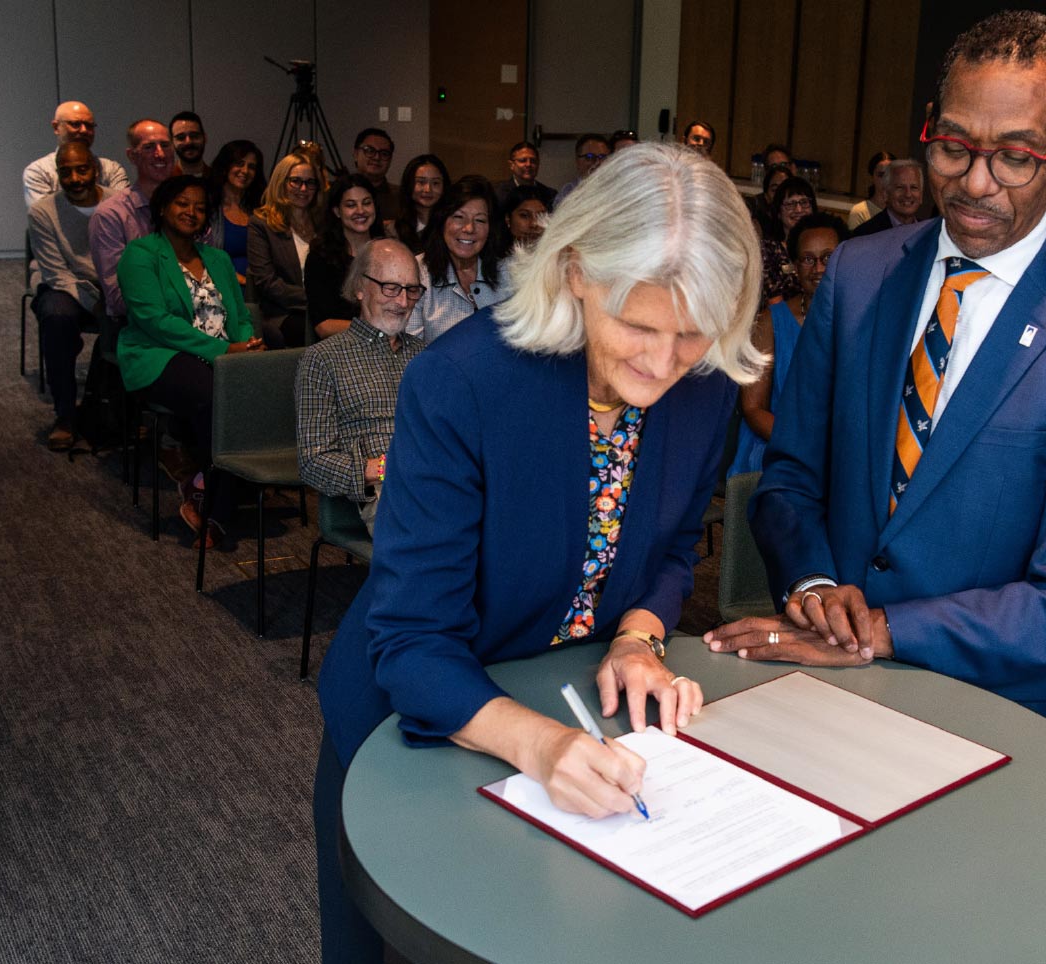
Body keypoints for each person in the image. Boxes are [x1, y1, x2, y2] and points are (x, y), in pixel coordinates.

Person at [313, 142, 763, 964]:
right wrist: (542, 745)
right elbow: (412, 642)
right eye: (637, 325)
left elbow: (670, 550)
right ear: (575, 271)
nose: (663, 364)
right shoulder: (464, 383)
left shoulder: (704, 392)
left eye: (694, 334)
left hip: (575, 718)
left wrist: (638, 634)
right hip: (419, 727)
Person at [704, 11, 1046, 730]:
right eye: (953, 147)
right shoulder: (857, 278)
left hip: (987, 715)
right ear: (929, 124)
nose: (975, 184)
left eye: (1016, 157)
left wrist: (883, 631)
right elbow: (792, 476)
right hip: (818, 685)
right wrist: (815, 584)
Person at [116, 175, 263, 550]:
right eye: (183, 203)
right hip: (159, 354)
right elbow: (155, 322)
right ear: (163, 208)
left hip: (223, 354)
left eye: (200, 206)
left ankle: (203, 482)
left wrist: (244, 342)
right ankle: (214, 506)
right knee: (217, 394)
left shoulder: (217, 258)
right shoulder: (141, 254)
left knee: (265, 383)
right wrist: (223, 353)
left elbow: (239, 312)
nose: (191, 212)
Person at [296, 239, 425, 535]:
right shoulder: (323, 359)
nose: (403, 302)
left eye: (412, 290)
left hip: (439, 481)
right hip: (387, 492)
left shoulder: (426, 356)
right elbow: (313, 461)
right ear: (359, 288)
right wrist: (383, 468)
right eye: (391, 288)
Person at [730, 212, 847, 477]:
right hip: (778, 448)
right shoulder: (771, 322)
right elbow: (752, 408)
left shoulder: (861, 320)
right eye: (807, 259)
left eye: (828, 258)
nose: (818, 268)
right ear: (794, 265)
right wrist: (804, 446)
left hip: (840, 455)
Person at [28, 142, 108, 450]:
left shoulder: (118, 203)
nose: (75, 178)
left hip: (108, 284)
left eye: (82, 169)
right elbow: (57, 273)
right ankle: (64, 414)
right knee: (57, 318)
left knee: (132, 317)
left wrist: (112, 296)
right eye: (66, 172)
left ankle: (111, 407)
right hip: (62, 285)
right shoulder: (43, 211)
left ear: (96, 169)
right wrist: (96, 304)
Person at [90, 119, 175, 319]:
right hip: (138, 324)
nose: (160, 154)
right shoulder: (110, 215)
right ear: (132, 156)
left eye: (165, 145)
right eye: (149, 147)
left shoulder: (190, 208)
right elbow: (119, 298)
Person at [407, 177, 505, 343]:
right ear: (442, 220)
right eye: (459, 217)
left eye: (480, 220)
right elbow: (409, 350)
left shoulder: (508, 272)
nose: (469, 228)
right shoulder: (416, 272)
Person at [248, 152, 323, 346]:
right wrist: (314, 300)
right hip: (283, 313)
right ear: (281, 182)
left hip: (322, 309)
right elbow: (268, 283)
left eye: (310, 182)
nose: (303, 188)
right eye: (296, 181)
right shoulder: (261, 224)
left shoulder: (324, 224)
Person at [306, 175, 385, 341]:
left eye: (366, 203)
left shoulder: (389, 252)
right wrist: (376, 329)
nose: (360, 211)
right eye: (351, 205)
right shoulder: (320, 257)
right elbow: (323, 326)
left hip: (389, 342)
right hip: (340, 347)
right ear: (337, 211)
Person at [23, 100, 129, 208]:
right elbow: (45, 218)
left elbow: (124, 212)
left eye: (89, 125)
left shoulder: (112, 169)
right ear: (56, 127)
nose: (84, 130)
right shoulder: (38, 172)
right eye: (75, 124)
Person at [203, 140, 264, 287]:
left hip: (261, 291)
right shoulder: (207, 207)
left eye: (252, 167)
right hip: (220, 289)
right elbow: (201, 255)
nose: (245, 171)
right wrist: (242, 280)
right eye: (239, 163)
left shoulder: (261, 209)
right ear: (225, 166)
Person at [760, 176, 815, 304]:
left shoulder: (821, 247)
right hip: (781, 317)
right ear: (778, 212)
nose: (799, 210)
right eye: (790, 204)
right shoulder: (768, 249)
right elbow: (772, 299)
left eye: (804, 202)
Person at [385, 153, 449, 254]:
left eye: (435, 183)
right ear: (409, 184)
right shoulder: (394, 230)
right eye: (421, 182)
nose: (428, 189)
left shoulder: (451, 225)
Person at [852, 159, 925, 236]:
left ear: (921, 195)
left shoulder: (928, 232)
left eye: (914, 187)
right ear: (886, 194)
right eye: (900, 187)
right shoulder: (866, 234)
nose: (908, 194)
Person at [494, 141, 557, 212]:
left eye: (533, 161)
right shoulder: (497, 194)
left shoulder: (550, 195)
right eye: (523, 160)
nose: (528, 164)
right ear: (511, 165)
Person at [352, 128, 397, 223]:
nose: (377, 157)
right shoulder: (338, 194)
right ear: (356, 154)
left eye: (384, 154)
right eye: (370, 151)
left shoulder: (402, 197)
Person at [555, 133, 613, 207]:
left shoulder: (616, 189)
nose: (597, 162)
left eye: (602, 157)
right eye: (590, 157)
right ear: (577, 161)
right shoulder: (568, 193)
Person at [846, 151, 896, 230]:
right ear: (872, 177)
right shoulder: (860, 211)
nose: (886, 180)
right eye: (881, 175)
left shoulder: (900, 210)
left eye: (890, 175)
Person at [503, 185, 548, 250]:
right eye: (525, 216)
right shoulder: (495, 258)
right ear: (508, 219)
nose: (534, 223)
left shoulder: (556, 255)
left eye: (541, 216)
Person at [170, 111, 209, 178]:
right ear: (172, 143)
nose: (188, 142)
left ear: (205, 138)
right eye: (181, 138)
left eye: (194, 136)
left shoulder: (219, 180)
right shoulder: (164, 182)